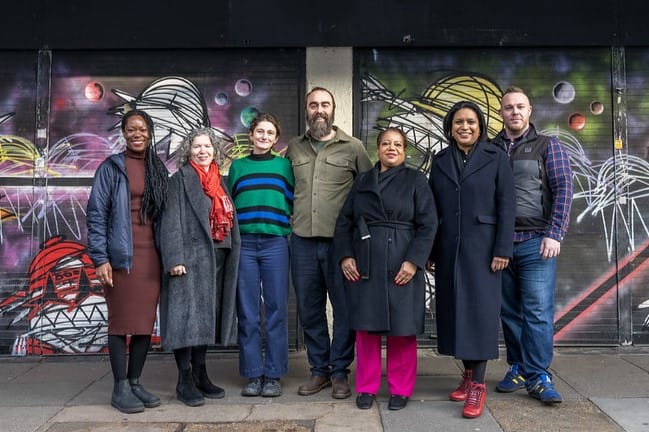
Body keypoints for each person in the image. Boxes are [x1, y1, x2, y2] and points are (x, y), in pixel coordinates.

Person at [334, 127, 437, 411]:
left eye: (398, 145)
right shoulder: (364, 181)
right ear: (377, 149)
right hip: (366, 261)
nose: (391, 148)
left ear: (405, 151)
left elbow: (429, 224)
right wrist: (345, 256)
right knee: (366, 329)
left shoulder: (416, 180)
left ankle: (400, 389)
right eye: (386, 144)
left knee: (402, 329)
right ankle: (366, 387)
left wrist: (414, 261)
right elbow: (345, 222)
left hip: (402, 262)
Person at [428, 101, 515, 418]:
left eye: (471, 122)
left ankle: (478, 386)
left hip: (484, 249)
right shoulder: (439, 161)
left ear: (480, 126)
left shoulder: (496, 157)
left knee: (478, 314)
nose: (465, 127)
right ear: (450, 127)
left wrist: (503, 248)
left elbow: (507, 205)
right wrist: (430, 251)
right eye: (458, 122)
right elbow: (431, 210)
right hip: (449, 248)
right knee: (454, 312)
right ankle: (467, 376)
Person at [287, 87, 373, 399]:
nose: (319, 110)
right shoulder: (294, 148)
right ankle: (318, 370)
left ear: (333, 110)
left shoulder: (353, 148)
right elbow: (285, 190)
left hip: (342, 247)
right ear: (306, 110)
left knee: (345, 309)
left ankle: (340, 371)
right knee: (309, 310)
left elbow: (368, 196)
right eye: (313, 105)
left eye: (325, 104)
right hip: (302, 243)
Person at [491, 87, 573, 405]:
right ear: (501, 113)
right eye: (509, 107)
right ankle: (519, 367)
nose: (514, 112)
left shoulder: (547, 145)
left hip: (536, 243)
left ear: (530, 111)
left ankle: (539, 374)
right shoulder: (490, 149)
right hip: (500, 246)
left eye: (520, 107)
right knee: (509, 311)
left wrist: (555, 233)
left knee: (537, 311)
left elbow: (564, 188)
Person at [86, 109, 168, 414]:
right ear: (123, 133)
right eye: (132, 129)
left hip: (150, 257)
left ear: (149, 133)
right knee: (121, 322)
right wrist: (100, 258)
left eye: (143, 129)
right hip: (120, 258)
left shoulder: (156, 167)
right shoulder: (110, 168)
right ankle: (119, 386)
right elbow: (96, 215)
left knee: (145, 323)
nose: (137, 134)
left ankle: (135, 382)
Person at [159, 127, 241, 407]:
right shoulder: (179, 181)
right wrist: (174, 259)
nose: (202, 151)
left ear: (214, 150)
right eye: (196, 147)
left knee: (204, 318)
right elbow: (169, 222)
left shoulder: (221, 182)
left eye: (207, 146)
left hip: (216, 259)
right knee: (185, 319)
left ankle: (201, 374)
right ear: (188, 151)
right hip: (189, 260)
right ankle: (184, 380)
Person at [228, 113, 294, 397]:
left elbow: (292, 199)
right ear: (251, 135)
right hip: (245, 244)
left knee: (277, 309)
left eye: (270, 133)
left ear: (276, 138)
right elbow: (230, 203)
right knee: (248, 311)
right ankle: (254, 374)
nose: (264, 137)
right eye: (259, 132)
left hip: (275, 243)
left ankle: (274, 374)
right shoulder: (238, 167)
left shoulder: (285, 167)